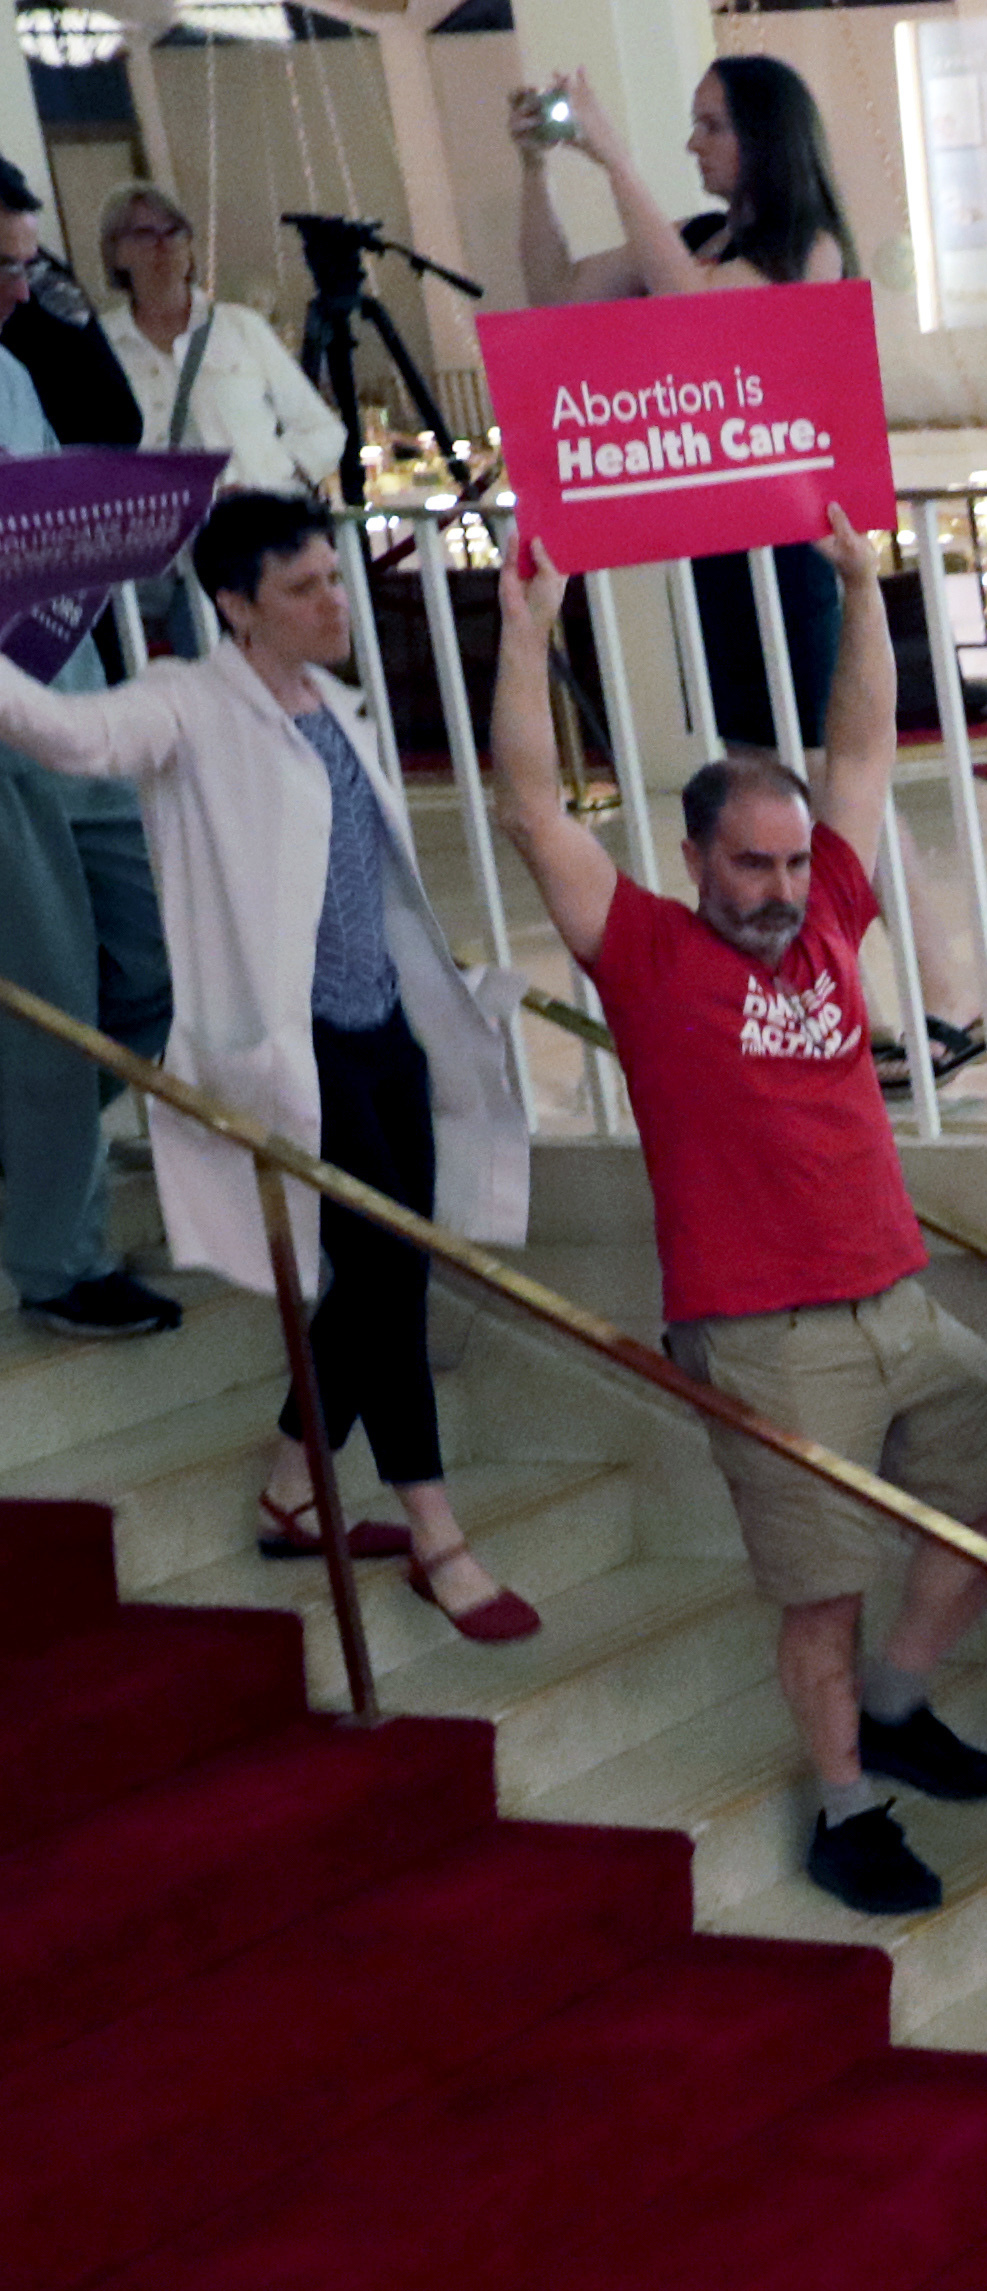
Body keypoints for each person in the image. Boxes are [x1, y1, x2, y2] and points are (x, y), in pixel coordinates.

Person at [493, 515, 987, 1915]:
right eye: (752, 865)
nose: (781, 891)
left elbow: (860, 751)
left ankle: (901, 1705)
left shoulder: (824, 920)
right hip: (765, 1335)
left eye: (794, 865)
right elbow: (529, 811)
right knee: (820, 1592)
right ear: (694, 857)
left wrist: (861, 585)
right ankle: (845, 1800)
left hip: (895, 1299)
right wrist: (522, 625)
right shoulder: (643, 954)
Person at [0, 488, 530, 1632]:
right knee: (386, 1276)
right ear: (237, 607)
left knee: (392, 1263)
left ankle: (295, 1491)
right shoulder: (183, 704)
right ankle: (435, 1529)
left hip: (383, 1029)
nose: (335, 602)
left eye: (334, 579)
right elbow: (68, 735)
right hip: (300, 1049)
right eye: (303, 589)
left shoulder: (336, 704)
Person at [507, 54, 987, 1085]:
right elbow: (553, 294)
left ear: (763, 135)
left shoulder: (801, 246)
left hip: (793, 546)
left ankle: (949, 992)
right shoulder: (690, 237)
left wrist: (611, 153)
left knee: (836, 773)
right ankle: (814, 987)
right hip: (718, 552)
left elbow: (701, 321)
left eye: (711, 125)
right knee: (764, 769)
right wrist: (538, 172)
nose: (695, 146)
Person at [0, 346, 172, 1344]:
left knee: (163, 951)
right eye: (5, 266)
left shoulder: (15, 369)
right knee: (53, 1001)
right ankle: (59, 1262)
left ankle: (27, 1138)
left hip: (67, 701)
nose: (23, 293)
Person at [97, 187, 344, 503]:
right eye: (145, 234)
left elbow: (322, 430)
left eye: (174, 232)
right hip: (161, 534)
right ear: (117, 252)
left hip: (255, 525)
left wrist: (269, 481)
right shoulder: (100, 345)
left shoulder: (239, 326)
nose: (163, 245)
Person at [0, 162, 142, 452]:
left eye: (28, 268)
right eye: (5, 268)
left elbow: (118, 425)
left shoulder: (11, 377)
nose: (24, 294)